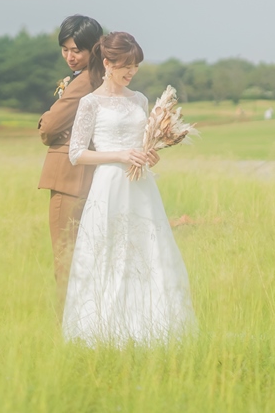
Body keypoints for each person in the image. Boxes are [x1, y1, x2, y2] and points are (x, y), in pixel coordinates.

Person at [63, 32, 196, 345]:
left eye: (135, 66)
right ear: (108, 63)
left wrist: (150, 155)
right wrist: (120, 155)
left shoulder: (139, 100)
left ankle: (151, 327)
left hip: (140, 187)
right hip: (109, 185)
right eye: (126, 66)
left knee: (146, 252)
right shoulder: (90, 103)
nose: (131, 72)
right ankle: (102, 330)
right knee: (108, 252)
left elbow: (142, 145)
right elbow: (76, 153)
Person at [37, 14, 104, 311]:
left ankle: (66, 323)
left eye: (77, 50)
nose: (70, 57)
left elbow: (49, 127)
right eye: (65, 50)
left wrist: (46, 121)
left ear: (94, 48)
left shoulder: (84, 81)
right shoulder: (102, 76)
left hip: (68, 177)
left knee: (66, 256)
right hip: (92, 177)